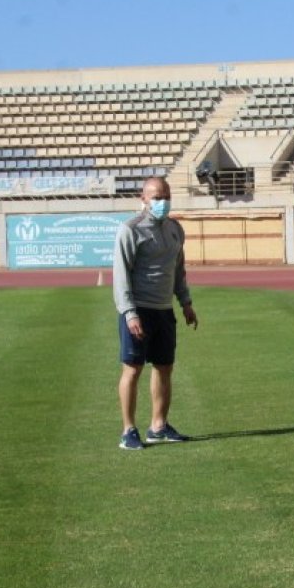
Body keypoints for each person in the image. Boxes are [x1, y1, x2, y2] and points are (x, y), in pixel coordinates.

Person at [113, 176, 199, 450]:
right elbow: (121, 275)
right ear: (144, 199)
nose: (162, 202)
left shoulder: (175, 229)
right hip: (139, 309)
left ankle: (158, 426)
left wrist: (185, 302)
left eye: (165, 196)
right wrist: (129, 312)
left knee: (164, 367)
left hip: (164, 310)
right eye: (156, 197)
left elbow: (178, 270)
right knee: (133, 369)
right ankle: (128, 430)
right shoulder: (131, 229)